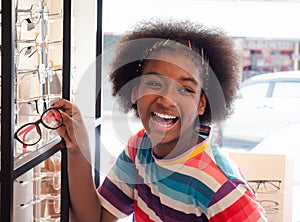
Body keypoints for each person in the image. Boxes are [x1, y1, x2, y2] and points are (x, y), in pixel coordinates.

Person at [53, 19, 267, 222]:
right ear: (135, 91)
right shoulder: (139, 150)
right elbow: (95, 217)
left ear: (202, 103)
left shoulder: (219, 185)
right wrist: (77, 146)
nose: (166, 99)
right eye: (154, 84)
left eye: (185, 89)